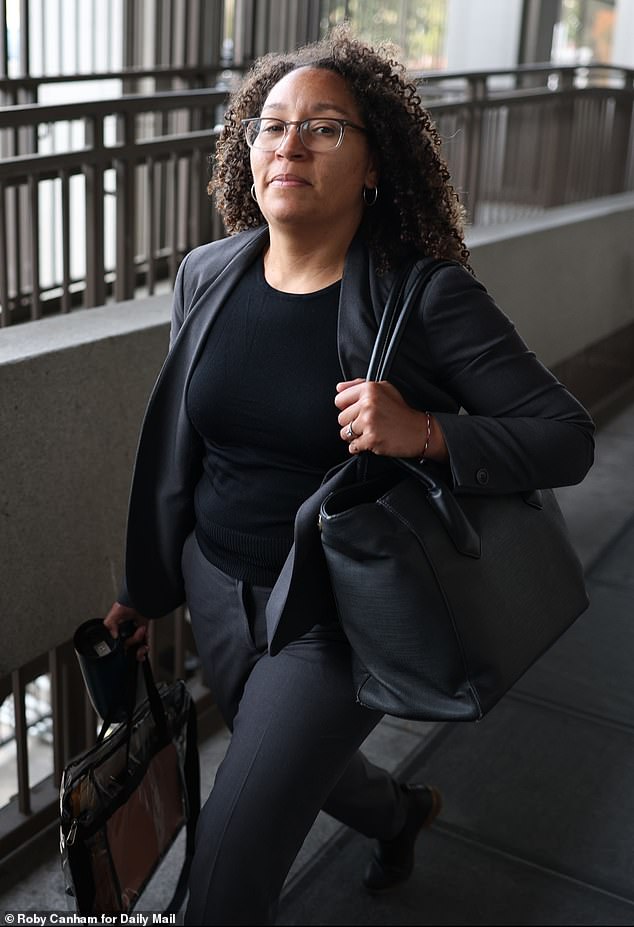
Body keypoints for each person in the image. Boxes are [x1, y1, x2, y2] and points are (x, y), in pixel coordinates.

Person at [104, 25, 594, 926]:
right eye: (270, 124)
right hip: (218, 587)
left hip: (333, 612)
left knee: (221, 879)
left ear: (373, 166)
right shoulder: (206, 275)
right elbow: (186, 444)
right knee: (295, 764)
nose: (288, 143)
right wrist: (144, 586)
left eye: (324, 127)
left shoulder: (428, 296)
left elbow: (566, 436)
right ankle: (399, 811)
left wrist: (427, 433)